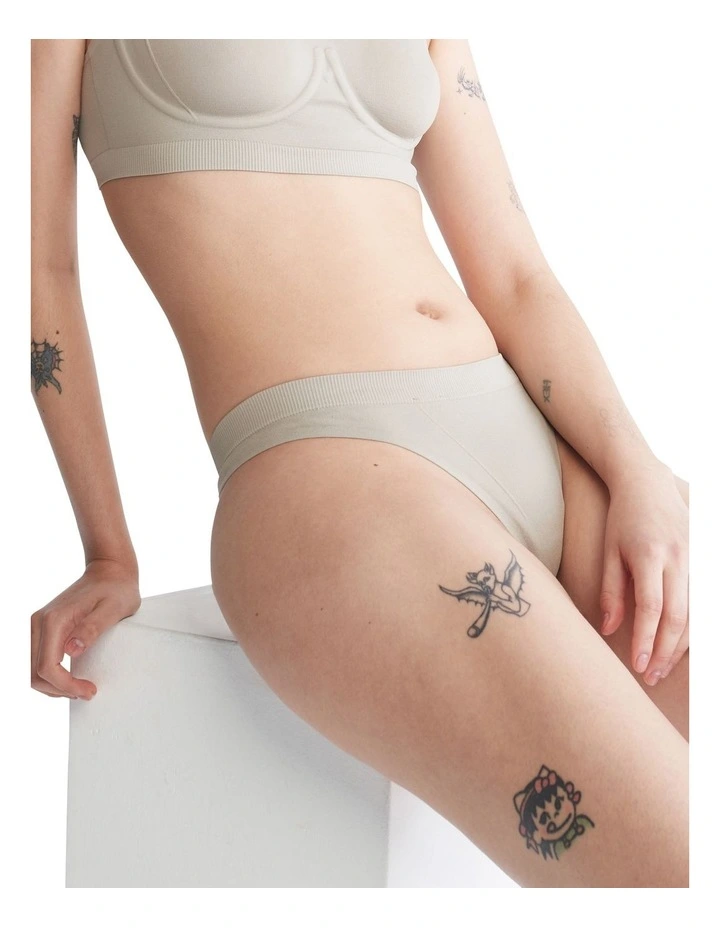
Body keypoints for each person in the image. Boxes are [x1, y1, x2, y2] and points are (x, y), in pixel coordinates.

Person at [30, 39, 688, 888]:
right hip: (334, 472)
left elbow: (518, 273)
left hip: (538, 446)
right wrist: (107, 550)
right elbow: (39, 268)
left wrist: (635, 467)